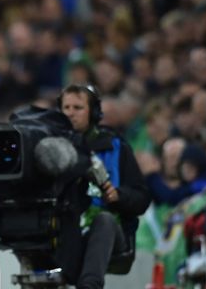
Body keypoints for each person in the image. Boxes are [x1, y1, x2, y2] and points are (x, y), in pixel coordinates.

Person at [58, 84, 151, 289]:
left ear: (93, 112)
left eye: (78, 108)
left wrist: (119, 196)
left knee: (104, 220)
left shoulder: (116, 146)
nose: (70, 114)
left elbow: (142, 197)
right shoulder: (51, 150)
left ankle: (90, 286)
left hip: (109, 232)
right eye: (66, 108)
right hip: (65, 229)